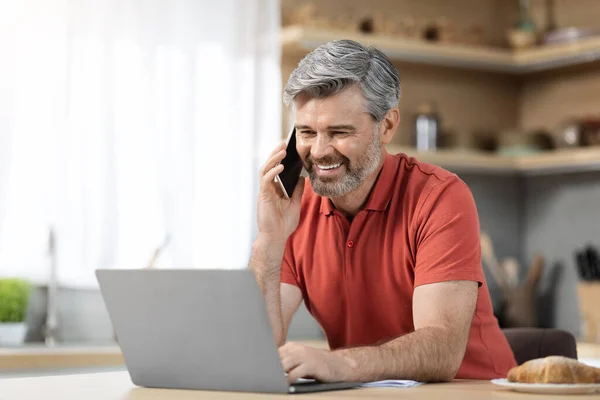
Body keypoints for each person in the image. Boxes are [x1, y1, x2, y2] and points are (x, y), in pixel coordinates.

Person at [248, 39, 517, 384]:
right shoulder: (295, 210)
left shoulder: (440, 197)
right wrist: (269, 241)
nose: (319, 151)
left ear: (387, 126)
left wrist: (339, 364)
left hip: (472, 392)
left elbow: (443, 350)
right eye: (306, 132)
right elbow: (255, 350)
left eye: (339, 132)